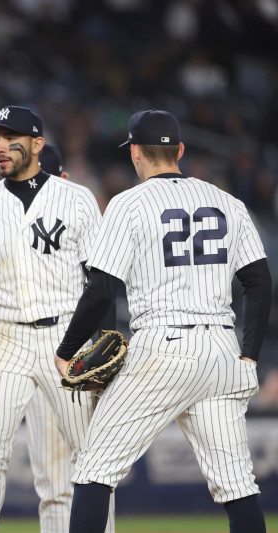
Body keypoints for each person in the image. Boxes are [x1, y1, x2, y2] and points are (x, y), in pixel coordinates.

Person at [55, 109, 271, 533]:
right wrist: (249, 354)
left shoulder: (128, 204)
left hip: (163, 347)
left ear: (135, 152)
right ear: (181, 151)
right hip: (223, 352)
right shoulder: (229, 202)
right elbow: (259, 282)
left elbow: (102, 290)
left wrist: (66, 350)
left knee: (95, 469)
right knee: (237, 486)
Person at [0, 106, 114, 532]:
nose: (0, 147)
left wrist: (102, 342)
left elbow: (100, 281)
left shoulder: (76, 198)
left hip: (67, 336)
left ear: (38, 144)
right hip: (6, 337)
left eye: (11, 138)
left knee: (89, 456)